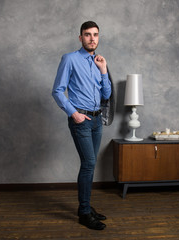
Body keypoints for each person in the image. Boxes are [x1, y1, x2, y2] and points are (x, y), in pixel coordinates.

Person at [52, 21, 111, 230]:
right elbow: (57, 90)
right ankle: (84, 212)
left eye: (95, 34)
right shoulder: (70, 59)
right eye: (87, 35)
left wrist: (103, 70)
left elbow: (106, 95)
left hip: (97, 120)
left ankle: (85, 207)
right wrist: (73, 113)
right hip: (81, 120)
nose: (92, 38)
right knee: (88, 164)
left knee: (90, 164)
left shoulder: (99, 61)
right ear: (80, 38)